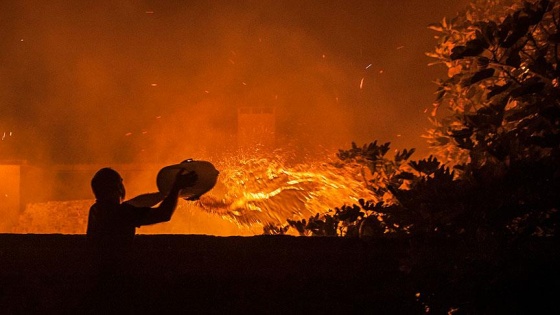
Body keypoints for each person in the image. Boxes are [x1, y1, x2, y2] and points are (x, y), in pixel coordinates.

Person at [86, 167, 197, 247]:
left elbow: (137, 203)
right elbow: (164, 214)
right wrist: (177, 187)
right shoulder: (121, 213)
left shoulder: (96, 210)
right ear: (118, 187)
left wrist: (167, 193)